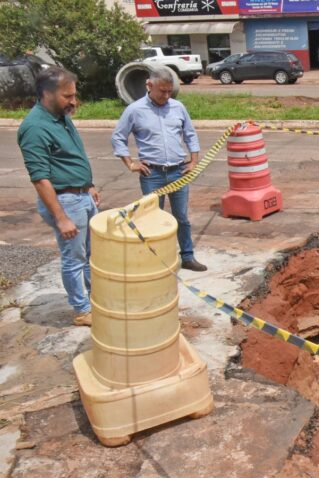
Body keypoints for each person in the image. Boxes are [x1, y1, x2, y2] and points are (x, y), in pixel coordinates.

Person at [17, 67, 100, 327]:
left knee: (91, 255)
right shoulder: (34, 127)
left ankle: (96, 300)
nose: (73, 102)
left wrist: (88, 185)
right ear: (46, 94)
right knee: (74, 259)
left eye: (74, 95)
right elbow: (40, 178)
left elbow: (69, 158)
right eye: (67, 96)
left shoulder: (60, 116)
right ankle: (82, 309)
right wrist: (61, 218)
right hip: (65, 202)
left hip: (81, 195)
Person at [111, 67, 207, 272]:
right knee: (153, 218)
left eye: (169, 91)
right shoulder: (135, 110)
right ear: (149, 85)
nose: (166, 96)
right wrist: (130, 163)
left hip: (178, 172)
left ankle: (187, 257)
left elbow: (190, 134)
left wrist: (193, 161)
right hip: (151, 174)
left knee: (181, 218)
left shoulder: (178, 107)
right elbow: (118, 137)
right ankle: (158, 260)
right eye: (162, 91)